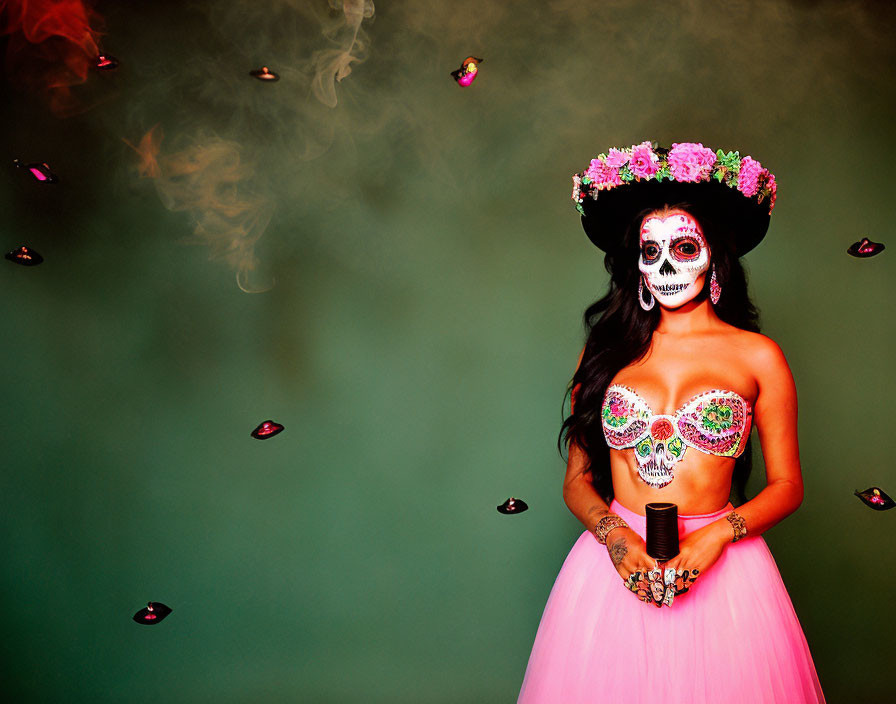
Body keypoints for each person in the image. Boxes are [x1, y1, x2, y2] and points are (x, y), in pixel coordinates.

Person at [517, 142, 826, 703]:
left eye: (683, 247)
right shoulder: (605, 350)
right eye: (648, 249)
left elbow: (788, 486)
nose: (664, 266)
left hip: (723, 567)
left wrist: (716, 538)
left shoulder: (758, 357)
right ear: (634, 263)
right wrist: (613, 540)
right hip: (613, 566)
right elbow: (577, 481)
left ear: (714, 259)